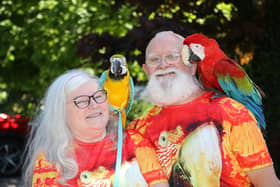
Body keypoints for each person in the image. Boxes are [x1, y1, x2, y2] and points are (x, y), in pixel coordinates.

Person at [127, 31, 280, 187]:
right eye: (155, 59)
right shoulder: (137, 130)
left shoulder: (231, 112)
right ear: (146, 70)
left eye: (172, 56)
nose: (163, 65)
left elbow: (267, 182)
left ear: (191, 65)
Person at [22, 69, 169, 187]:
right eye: (82, 101)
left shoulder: (134, 141)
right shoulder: (50, 158)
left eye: (98, 96)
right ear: (61, 112)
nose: (94, 105)